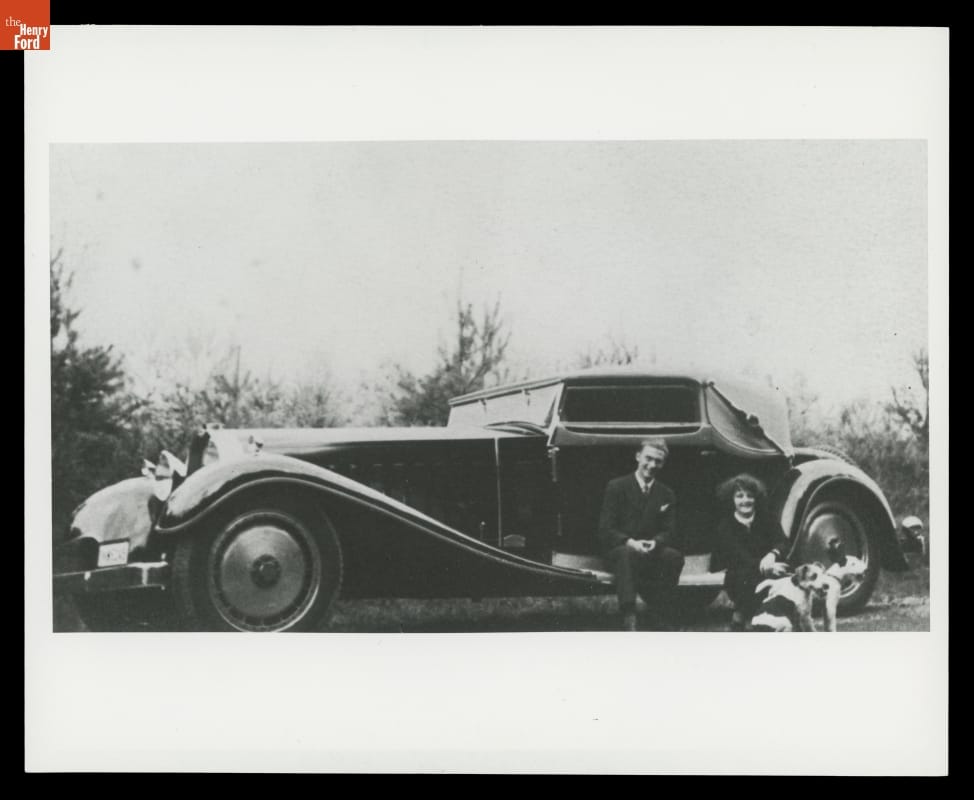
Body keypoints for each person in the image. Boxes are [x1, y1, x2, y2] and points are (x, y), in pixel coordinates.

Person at [598, 438, 685, 631]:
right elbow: (606, 529)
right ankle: (630, 616)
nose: (652, 465)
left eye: (658, 461)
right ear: (638, 456)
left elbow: (670, 531)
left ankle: (659, 612)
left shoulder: (666, 494)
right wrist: (630, 542)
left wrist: (656, 542)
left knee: (674, 557)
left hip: (650, 551)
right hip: (621, 551)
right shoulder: (616, 487)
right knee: (626, 554)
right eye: (648, 458)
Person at [711, 473, 791, 631]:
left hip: (768, 567)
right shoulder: (725, 527)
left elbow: (783, 542)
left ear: (756, 498)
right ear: (732, 499)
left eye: (750, 496)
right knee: (744, 577)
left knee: (788, 572)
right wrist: (765, 567)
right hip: (741, 575)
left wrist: (772, 554)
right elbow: (738, 557)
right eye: (739, 496)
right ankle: (742, 616)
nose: (745, 500)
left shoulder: (766, 518)